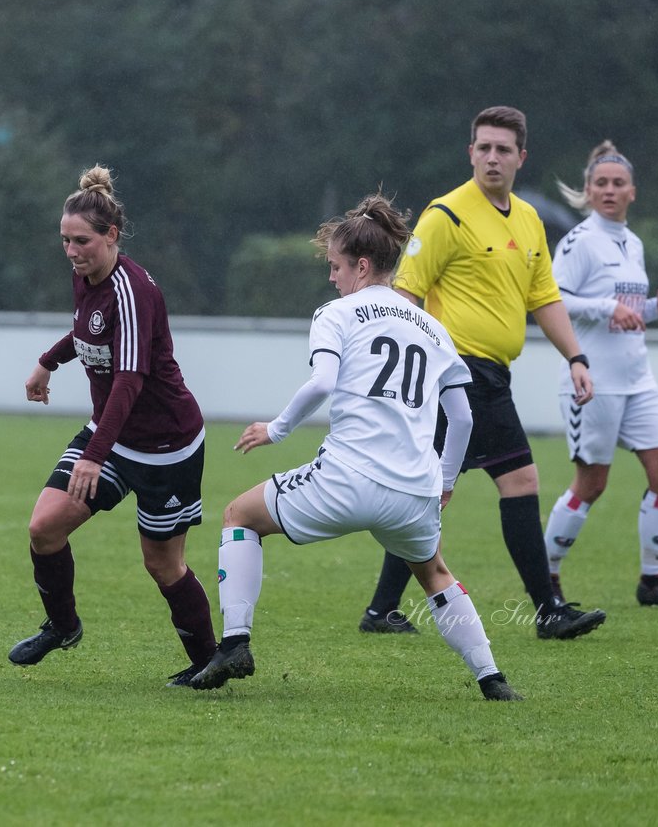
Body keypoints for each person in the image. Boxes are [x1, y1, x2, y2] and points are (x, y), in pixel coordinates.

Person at [189, 193, 520, 701]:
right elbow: (463, 416)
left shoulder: (337, 314)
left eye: (336, 266)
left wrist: (276, 429)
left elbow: (322, 384)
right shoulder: (434, 328)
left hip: (347, 477)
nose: (332, 277)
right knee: (433, 572)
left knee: (238, 516)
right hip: (413, 490)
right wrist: (446, 482)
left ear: (362, 266)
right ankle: (492, 679)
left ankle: (234, 643)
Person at [359, 106, 607, 640]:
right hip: (457, 374)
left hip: (492, 375)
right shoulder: (446, 216)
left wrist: (577, 357)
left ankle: (381, 609)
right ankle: (548, 610)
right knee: (519, 481)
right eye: (483, 147)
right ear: (470, 152)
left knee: (424, 491)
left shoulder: (527, 219)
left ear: (521, 156)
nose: (492, 157)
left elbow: (544, 297)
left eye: (503, 149)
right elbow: (404, 296)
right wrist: (413, 369)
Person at [9, 165, 218, 686]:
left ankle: (208, 661)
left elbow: (129, 379)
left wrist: (94, 454)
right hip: (113, 434)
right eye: (64, 241)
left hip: (167, 445)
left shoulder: (134, 291)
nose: (72, 251)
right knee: (44, 527)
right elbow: (85, 331)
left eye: (82, 241)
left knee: (163, 565)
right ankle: (63, 626)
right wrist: (49, 360)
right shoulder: (86, 278)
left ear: (112, 236)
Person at [543, 141, 658, 608]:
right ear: (588, 192)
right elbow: (555, 299)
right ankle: (546, 579)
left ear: (633, 192)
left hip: (638, 378)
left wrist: (652, 309)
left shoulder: (633, 243)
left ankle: (652, 581)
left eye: (618, 183)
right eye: (601, 184)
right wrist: (607, 305)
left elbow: (624, 315)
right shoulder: (578, 241)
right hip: (594, 381)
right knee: (591, 484)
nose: (609, 190)